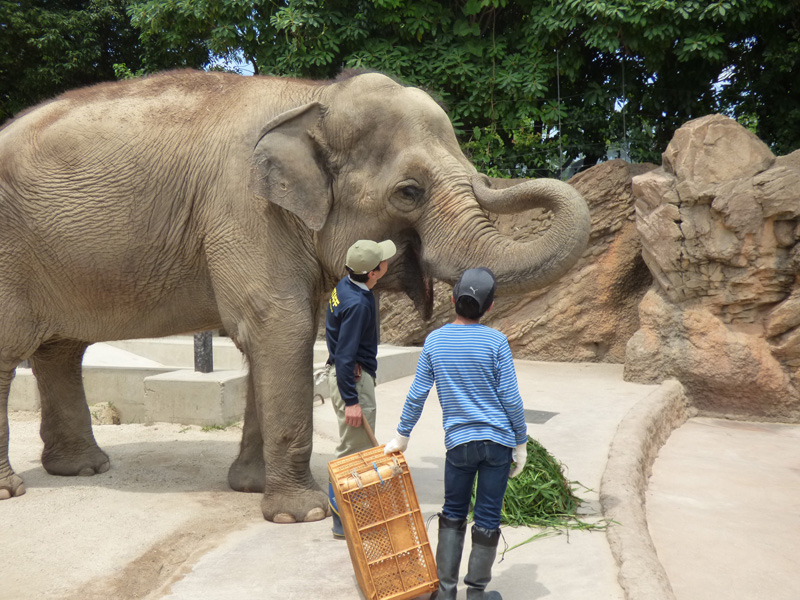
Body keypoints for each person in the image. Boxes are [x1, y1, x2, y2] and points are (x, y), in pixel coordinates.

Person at [384, 267, 528, 600]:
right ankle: (476, 593)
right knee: (488, 515)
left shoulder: (435, 341)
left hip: (459, 444)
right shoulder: (496, 342)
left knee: (453, 513)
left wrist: (402, 436)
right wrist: (520, 442)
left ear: (452, 300)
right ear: (490, 308)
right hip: (497, 444)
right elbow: (510, 397)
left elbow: (418, 393)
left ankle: (446, 592)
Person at [325, 238, 396, 539]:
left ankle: (349, 515)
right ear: (373, 273)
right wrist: (351, 400)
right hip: (352, 381)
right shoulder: (356, 304)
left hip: (347, 375)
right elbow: (344, 355)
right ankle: (343, 519)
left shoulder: (346, 286)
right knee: (354, 453)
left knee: (355, 449)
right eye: (383, 261)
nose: (387, 262)